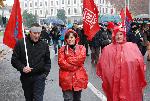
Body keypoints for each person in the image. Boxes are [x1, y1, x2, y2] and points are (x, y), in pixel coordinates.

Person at [96, 27, 147, 101]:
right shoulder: (107, 49)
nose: (119, 36)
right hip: (114, 81)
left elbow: (139, 62)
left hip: (128, 80)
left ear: (124, 36)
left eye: (121, 34)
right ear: (113, 36)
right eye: (116, 34)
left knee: (128, 95)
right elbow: (102, 64)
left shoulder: (132, 47)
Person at [11, 23, 51, 101]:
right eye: (34, 33)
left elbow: (47, 61)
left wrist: (45, 74)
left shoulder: (44, 45)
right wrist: (22, 68)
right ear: (30, 32)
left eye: (39, 33)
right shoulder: (21, 43)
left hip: (39, 77)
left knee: (38, 98)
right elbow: (14, 60)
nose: (37, 36)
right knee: (28, 98)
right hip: (26, 78)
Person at [58, 29, 88, 101]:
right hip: (66, 79)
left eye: (71, 37)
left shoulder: (81, 48)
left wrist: (68, 60)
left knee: (77, 99)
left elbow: (81, 59)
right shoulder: (62, 49)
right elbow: (61, 63)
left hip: (78, 78)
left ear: (75, 38)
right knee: (68, 99)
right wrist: (75, 66)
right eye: (68, 38)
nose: (70, 39)